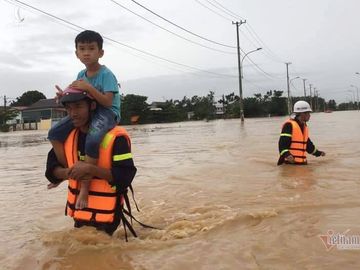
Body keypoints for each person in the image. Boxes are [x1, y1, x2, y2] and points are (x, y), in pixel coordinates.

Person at [45, 87, 136, 237]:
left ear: (92, 106)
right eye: (69, 108)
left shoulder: (115, 138)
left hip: (108, 216)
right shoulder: (68, 137)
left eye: (79, 107)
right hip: (79, 213)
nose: (73, 113)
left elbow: (125, 176)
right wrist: (68, 172)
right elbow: (52, 170)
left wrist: (90, 169)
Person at [48, 30, 121, 210]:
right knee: (54, 133)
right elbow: (73, 95)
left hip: (106, 112)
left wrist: (89, 88)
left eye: (91, 48)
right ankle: (71, 172)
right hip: (88, 112)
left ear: (100, 53)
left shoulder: (107, 74)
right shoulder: (81, 74)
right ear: (77, 54)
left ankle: (85, 188)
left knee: (93, 138)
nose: (86, 52)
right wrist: (62, 96)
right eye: (82, 49)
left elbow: (107, 101)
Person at [278, 100, 326, 165]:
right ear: (301, 113)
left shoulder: (304, 127)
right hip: (289, 164)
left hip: (301, 164)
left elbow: (308, 146)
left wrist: (319, 153)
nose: (309, 115)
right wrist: (287, 154)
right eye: (308, 113)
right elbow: (282, 144)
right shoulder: (289, 125)